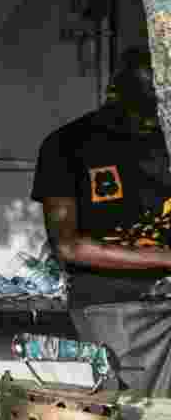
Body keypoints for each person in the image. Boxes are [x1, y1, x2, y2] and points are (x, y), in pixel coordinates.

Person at [32, 46, 171, 394]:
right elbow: (69, 246)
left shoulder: (164, 137)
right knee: (136, 418)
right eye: (148, 102)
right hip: (119, 306)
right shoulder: (67, 145)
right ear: (116, 91)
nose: (155, 113)